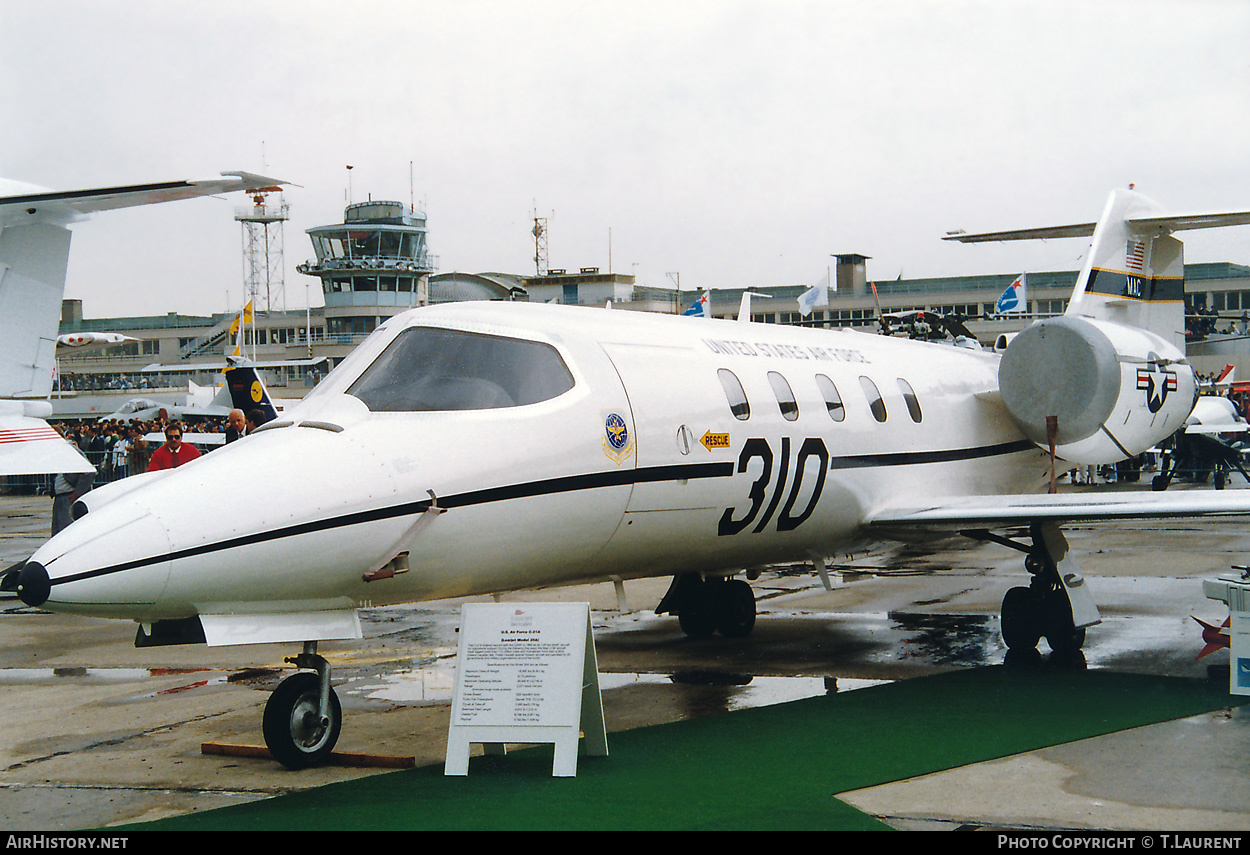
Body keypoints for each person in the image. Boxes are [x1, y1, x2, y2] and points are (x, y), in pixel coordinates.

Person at [51, 469, 94, 535]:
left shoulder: (76, 459)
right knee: (57, 531)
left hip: (69, 496)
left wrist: (77, 493)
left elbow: (89, 473)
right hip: (59, 497)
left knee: (67, 529)